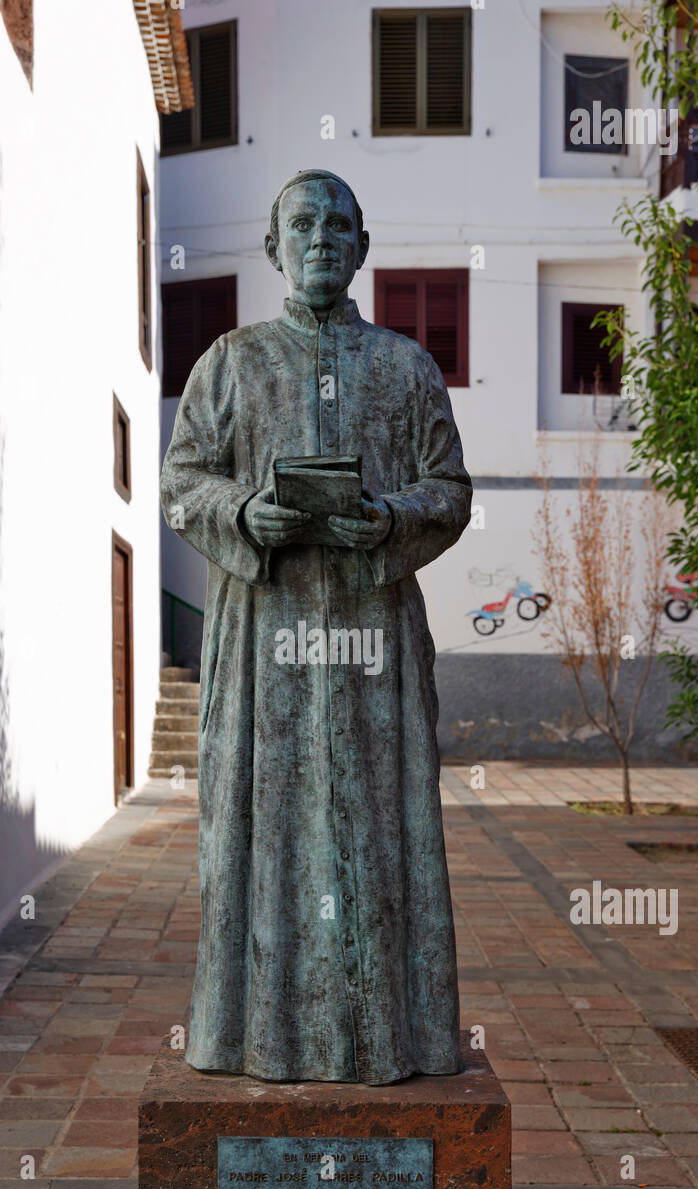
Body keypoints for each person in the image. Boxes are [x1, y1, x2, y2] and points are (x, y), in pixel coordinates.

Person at [160, 169, 471, 1085]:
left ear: (363, 248)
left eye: (339, 225)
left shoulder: (406, 367)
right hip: (265, 642)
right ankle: (249, 1034)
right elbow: (183, 481)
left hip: (375, 644)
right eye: (302, 224)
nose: (322, 239)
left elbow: (449, 491)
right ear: (273, 248)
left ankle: (391, 1037)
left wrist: (388, 518)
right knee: (262, 831)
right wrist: (244, 513)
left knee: (382, 833)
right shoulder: (230, 361)